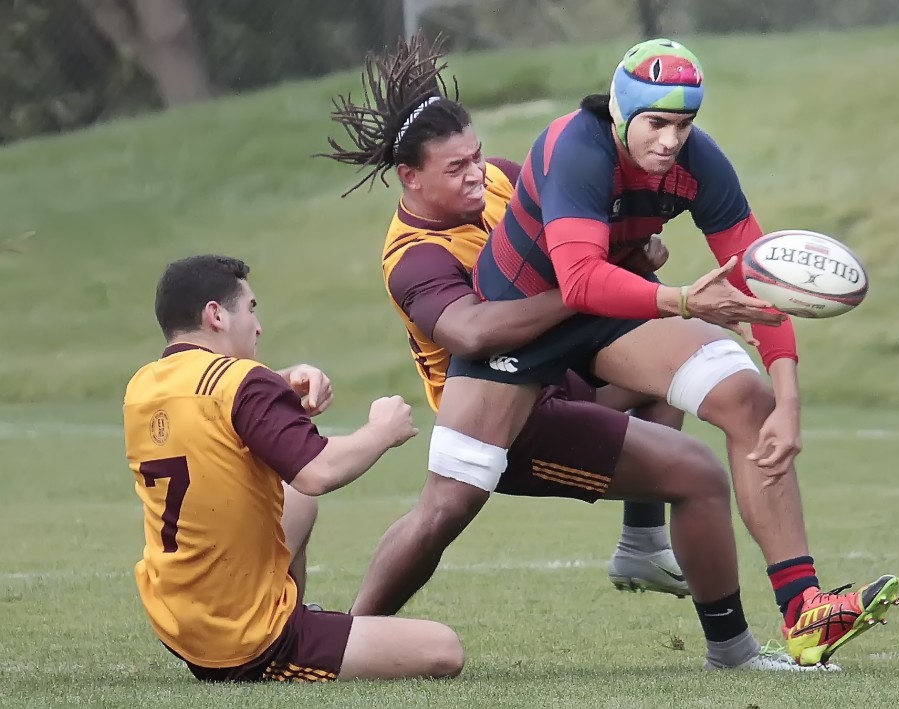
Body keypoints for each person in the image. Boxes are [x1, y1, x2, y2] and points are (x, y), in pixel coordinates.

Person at [320, 33, 837, 672]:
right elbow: (479, 333)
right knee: (443, 510)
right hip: (510, 395)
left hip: (580, 358)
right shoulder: (414, 257)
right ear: (410, 178)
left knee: (739, 400)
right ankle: (344, 641)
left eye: (476, 157)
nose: (477, 175)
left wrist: (787, 397)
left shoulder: (506, 181)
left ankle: (777, 615)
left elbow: (746, 278)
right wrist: (649, 290)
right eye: (455, 169)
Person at [122, 254, 465, 683]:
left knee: (296, 501)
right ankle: (283, 640)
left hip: (178, 620)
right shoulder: (241, 381)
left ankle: (289, 613)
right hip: (242, 639)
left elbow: (210, 407)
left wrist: (280, 384)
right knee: (443, 649)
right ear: (215, 315)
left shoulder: (144, 386)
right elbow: (317, 472)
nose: (258, 325)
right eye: (250, 309)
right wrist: (381, 431)